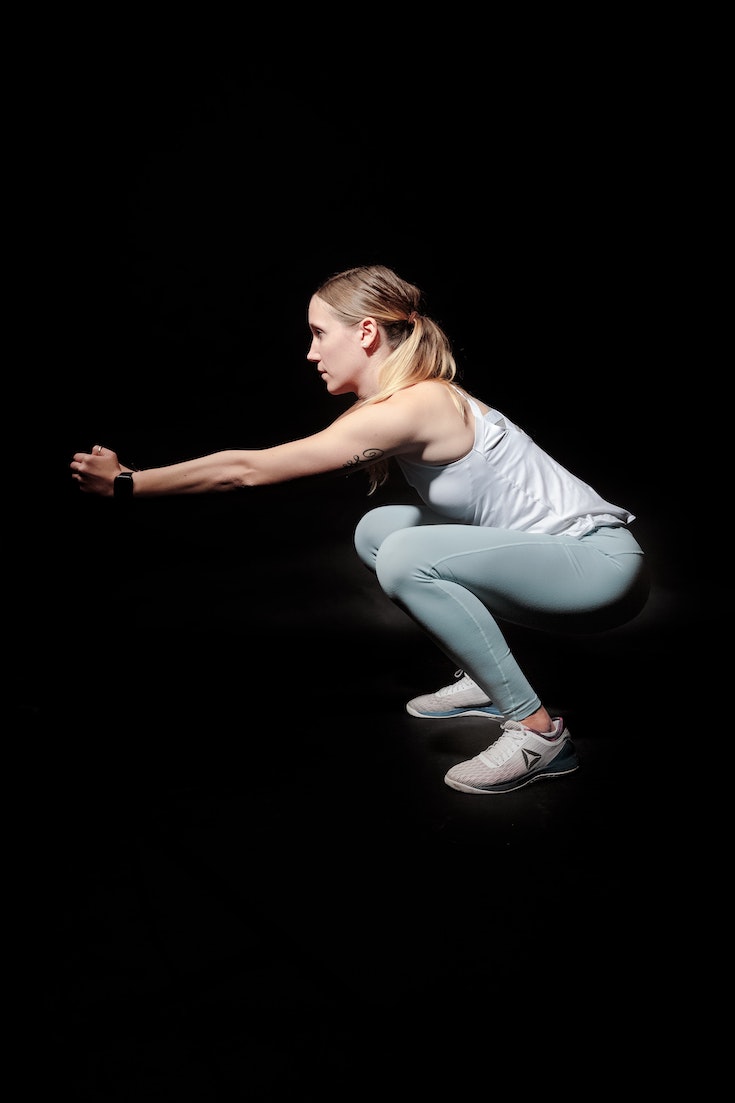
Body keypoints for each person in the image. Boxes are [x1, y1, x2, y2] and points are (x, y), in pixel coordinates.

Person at [70, 264, 649, 795]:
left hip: (597, 571)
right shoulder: (411, 399)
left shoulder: (415, 406)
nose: (310, 352)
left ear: (367, 332)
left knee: (403, 555)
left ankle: (539, 734)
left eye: (320, 333)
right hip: (563, 561)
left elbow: (247, 471)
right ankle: (485, 673)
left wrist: (129, 484)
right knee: (380, 529)